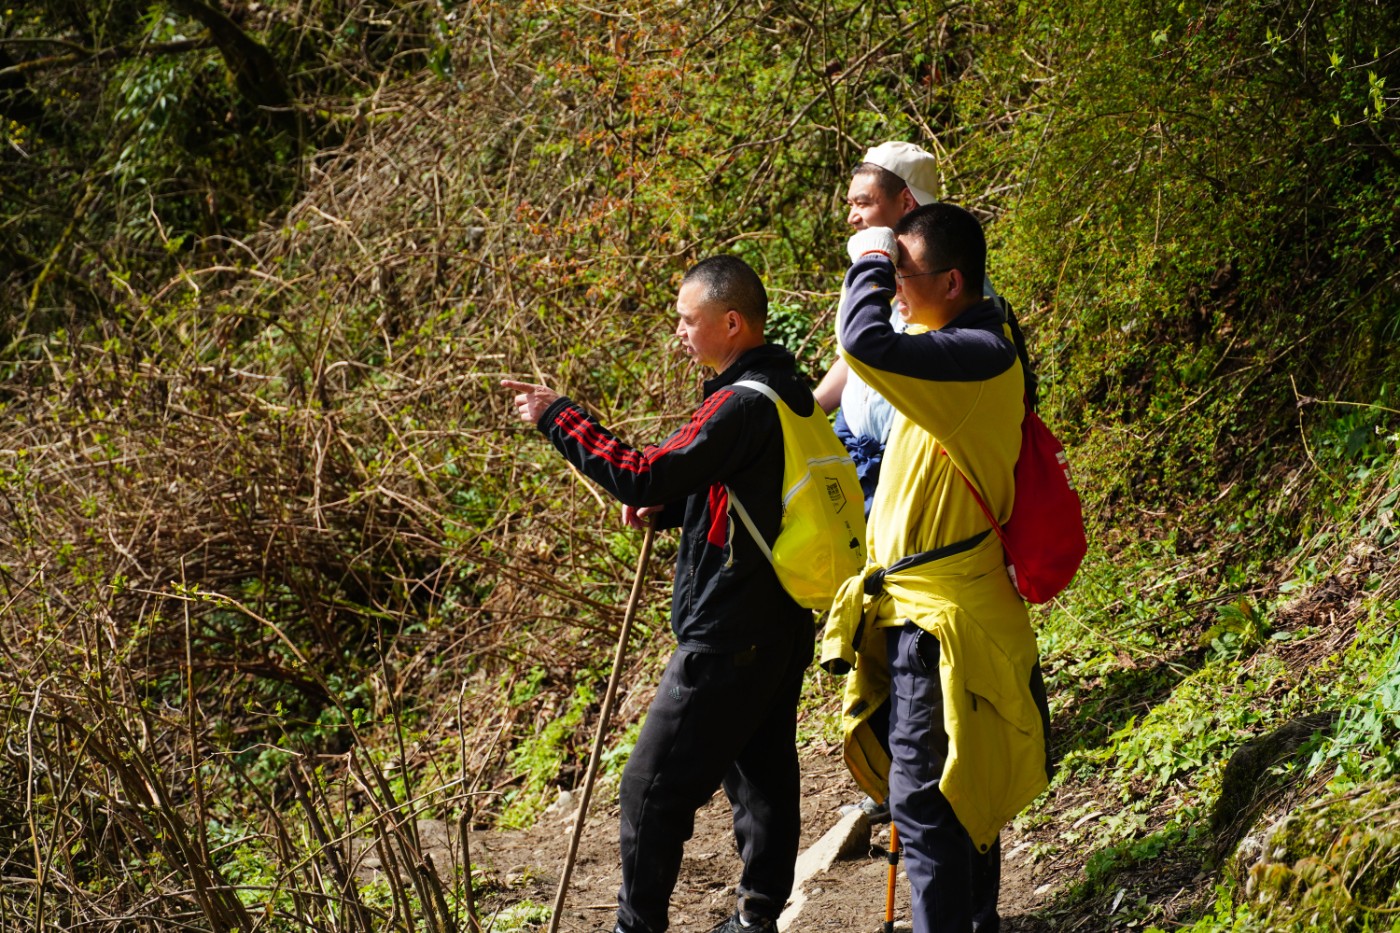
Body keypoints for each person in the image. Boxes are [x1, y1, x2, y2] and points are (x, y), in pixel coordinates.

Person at [502, 255, 813, 933]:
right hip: (781, 619)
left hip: (728, 630)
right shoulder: (787, 388)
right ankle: (756, 917)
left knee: (649, 789)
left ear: (731, 323)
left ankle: (636, 927)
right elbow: (749, 489)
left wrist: (558, 415)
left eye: (687, 319)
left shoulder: (737, 405)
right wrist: (671, 509)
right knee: (762, 776)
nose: (678, 331)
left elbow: (642, 472)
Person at [820, 204, 1053, 933]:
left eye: (903, 273)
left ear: (952, 282)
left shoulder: (974, 359)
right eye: (889, 273)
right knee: (954, 792)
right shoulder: (956, 343)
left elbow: (862, 342)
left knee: (923, 802)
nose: (893, 286)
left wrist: (868, 256)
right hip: (929, 609)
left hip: (942, 623)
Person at [814, 141, 1000, 518]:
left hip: (914, 474)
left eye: (863, 203)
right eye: (850, 204)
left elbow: (869, 345)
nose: (852, 217)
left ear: (905, 201)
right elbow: (852, 359)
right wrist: (804, 411)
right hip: (854, 456)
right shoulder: (872, 270)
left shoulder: (950, 286)